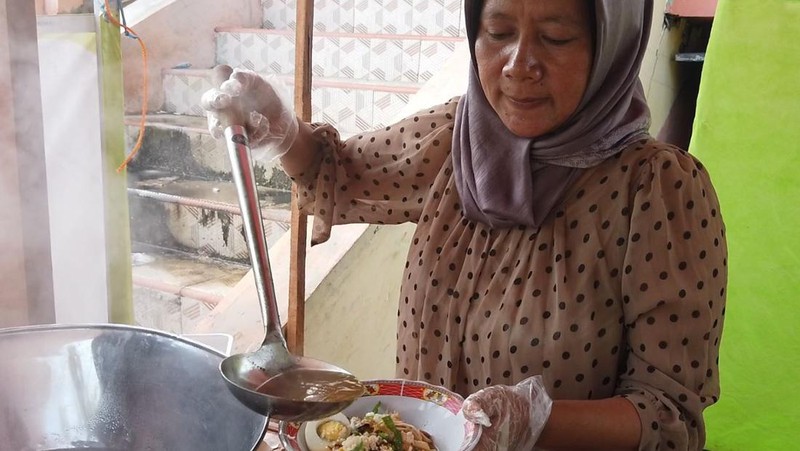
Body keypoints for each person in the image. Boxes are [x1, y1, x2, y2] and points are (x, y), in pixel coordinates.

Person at [202, 0, 727, 449]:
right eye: (498, 33)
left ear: (613, 45)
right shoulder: (460, 138)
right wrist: (279, 129)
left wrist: (536, 421)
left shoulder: (659, 192)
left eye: (556, 37)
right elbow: (335, 170)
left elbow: (669, 416)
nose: (520, 64)